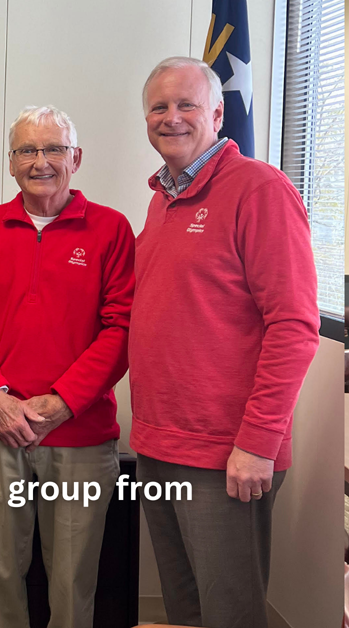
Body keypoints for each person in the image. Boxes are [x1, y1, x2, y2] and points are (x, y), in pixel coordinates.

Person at [130, 56, 319, 628]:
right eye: (158, 107)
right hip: (161, 444)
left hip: (226, 456)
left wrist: (259, 442)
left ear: (217, 112)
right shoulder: (163, 199)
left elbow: (294, 326)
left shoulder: (260, 189)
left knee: (229, 614)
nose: (172, 118)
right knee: (185, 613)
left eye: (186, 105)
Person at [0, 106, 134, 628]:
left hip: (80, 434)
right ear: (11, 163)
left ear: (75, 157)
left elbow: (121, 329)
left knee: (74, 578)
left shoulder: (112, 229)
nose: (41, 162)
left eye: (53, 149)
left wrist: (62, 402)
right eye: (27, 150)